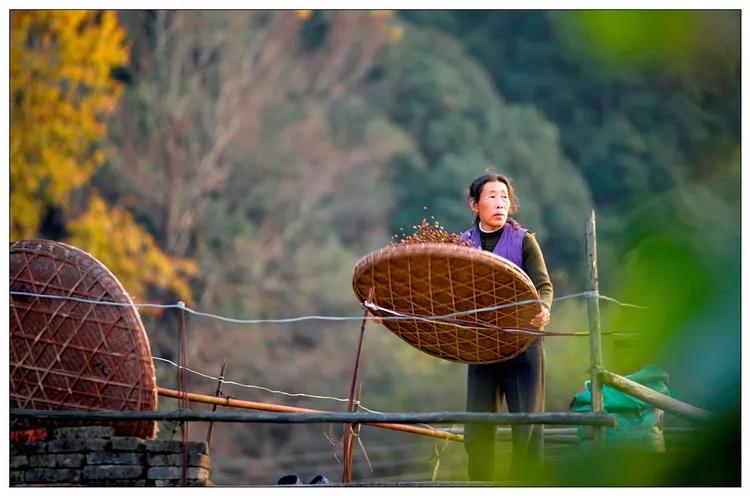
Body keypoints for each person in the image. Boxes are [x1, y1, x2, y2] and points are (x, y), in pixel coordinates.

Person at [459, 172, 553, 481]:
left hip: (524, 344)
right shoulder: (462, 245)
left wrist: (543, 308)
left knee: (526, 427)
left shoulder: (524, 240)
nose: (500, 203)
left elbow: (544, 286)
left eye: (504, 197)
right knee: (477, 428)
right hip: (481, 345)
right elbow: (447, 293)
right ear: (475, 204)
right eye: (491, 197)